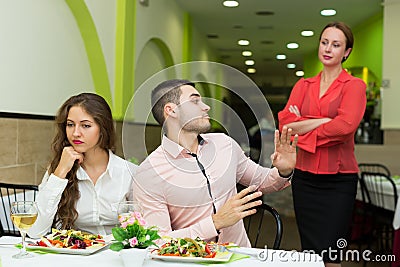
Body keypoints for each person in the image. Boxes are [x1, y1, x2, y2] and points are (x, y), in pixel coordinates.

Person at [132, 79, 298, 247]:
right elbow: (158, 241)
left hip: (241, 257)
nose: (206, 107)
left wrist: (283, 171)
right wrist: (215, 223)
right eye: (195, 101)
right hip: (191, 262)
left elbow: (261, 181)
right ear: (171, 110)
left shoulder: (225, 144)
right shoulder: (149, 173)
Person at [278, 21, 366, 266]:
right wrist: (323, 120)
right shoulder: (303, 85)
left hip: (338, 181)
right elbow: (285, 125)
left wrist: (302, 124)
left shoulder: (354, 86)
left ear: (346, 52)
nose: (328, 49)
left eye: (336, 45)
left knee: (331, 255)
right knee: (310, 253)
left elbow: (345, 127)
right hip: (305, 179)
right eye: (324, 42)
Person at [28, 93, 137, 238]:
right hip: (76, 254)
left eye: (86, 126)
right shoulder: (58, 169)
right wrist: (60, 171)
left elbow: (143, 228)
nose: (76, 133)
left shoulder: (129, 172)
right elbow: (35, 231)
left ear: (103, 128)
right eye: (70, 124)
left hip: (118, 254)